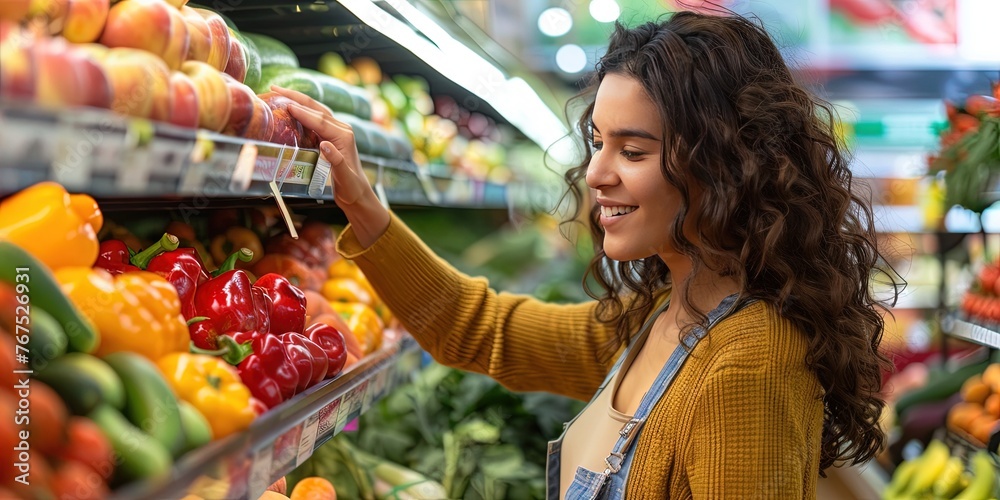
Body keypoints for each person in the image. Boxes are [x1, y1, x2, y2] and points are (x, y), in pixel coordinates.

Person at [273, 9, 896, 499]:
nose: (596, 173)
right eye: (598, 141)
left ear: (726, 166)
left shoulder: (749, 366)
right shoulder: (666, 315)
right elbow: (484, 330)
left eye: (633, 151)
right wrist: (361, 204)